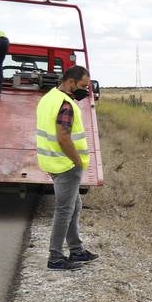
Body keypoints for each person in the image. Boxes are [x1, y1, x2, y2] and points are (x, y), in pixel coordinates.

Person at [36, 65, 99, 271]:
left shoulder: (49, 98)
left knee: (75, 206)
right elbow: (63, 137)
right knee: (64, 210)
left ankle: (76, 249)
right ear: (71, 82)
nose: (85, 90)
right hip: (65, 165)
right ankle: (55, 257)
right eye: (83, 85)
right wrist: (77, 161)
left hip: (52, 161)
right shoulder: (66, 104)